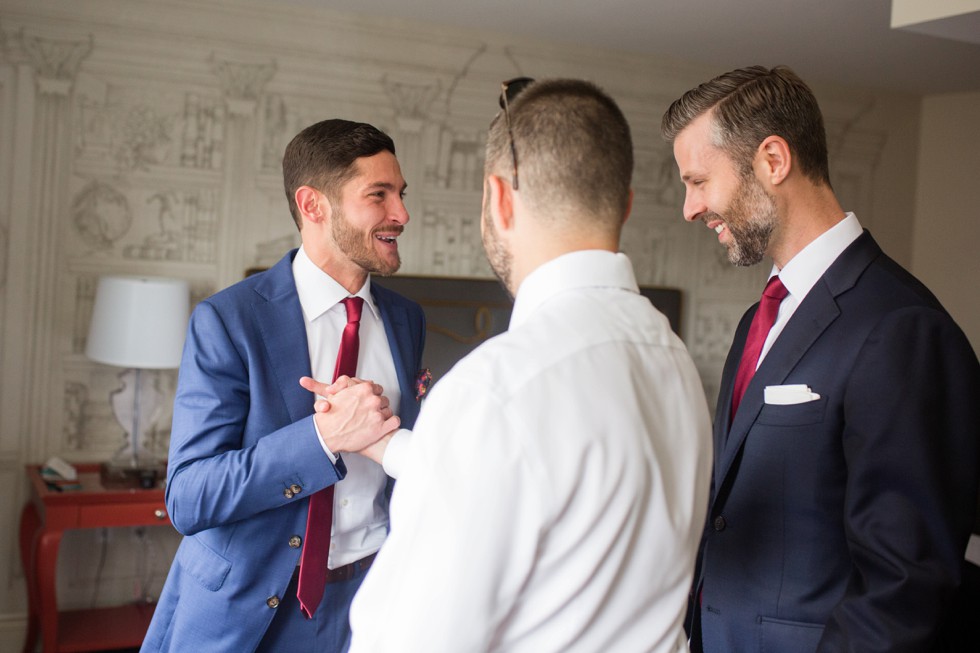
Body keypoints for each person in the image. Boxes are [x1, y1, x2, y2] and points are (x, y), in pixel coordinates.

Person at [338, 78, 713, 652]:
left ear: (499, 198)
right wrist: (390, 448)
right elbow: (557, 488)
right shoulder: (670, 357)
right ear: (626, 204)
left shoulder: (495, 390)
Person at [661, 65, 980, 652]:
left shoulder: (901, 329)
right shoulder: (756, 323)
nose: (690, 207)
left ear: (773, 160)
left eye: (699, 181)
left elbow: (905, 585)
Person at [141, 119, 426, 653]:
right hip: (249, 612)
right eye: (378, 196)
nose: (402, 215)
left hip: (373, 604)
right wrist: (322, 438)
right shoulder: (229, 320)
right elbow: (188, 497)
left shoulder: (408, 320)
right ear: (313, 205)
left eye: (401, 195)